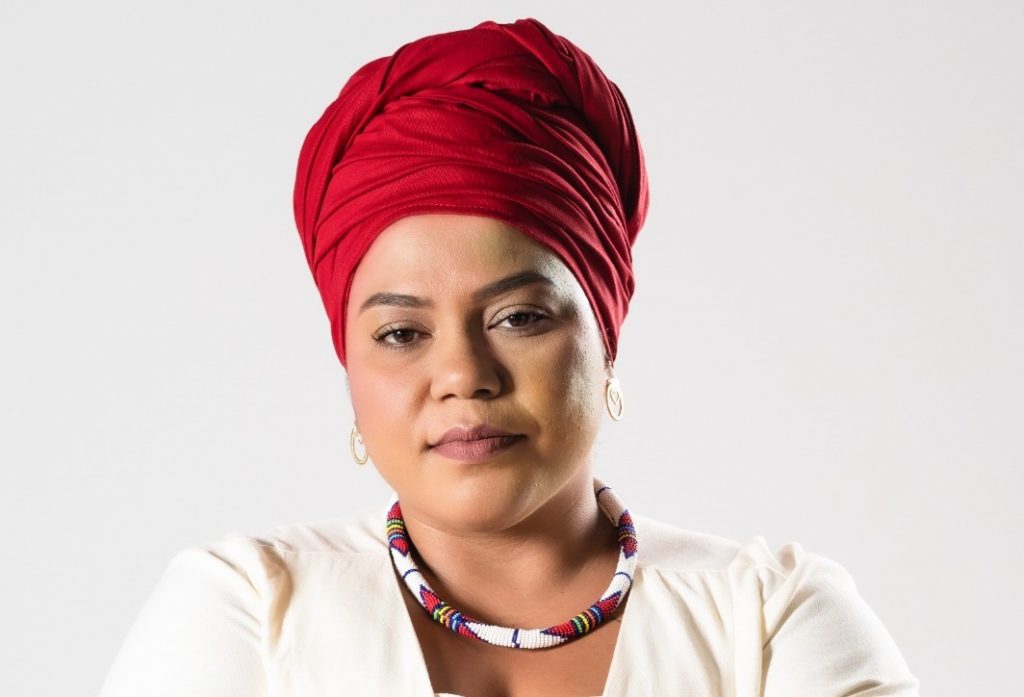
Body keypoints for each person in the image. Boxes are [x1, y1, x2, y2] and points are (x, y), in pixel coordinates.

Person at [98, 17, 920, 697]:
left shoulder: (770, 621)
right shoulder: (247, 612)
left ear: (604, 337)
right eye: (401, 333)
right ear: (349, 366)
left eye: (518, 316)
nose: (464, 375)